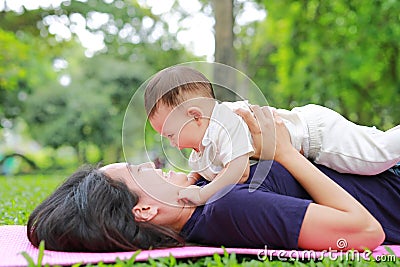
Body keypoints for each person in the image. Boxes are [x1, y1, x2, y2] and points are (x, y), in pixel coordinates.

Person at [27, 106, 400, 253]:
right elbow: (366, 233)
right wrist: (283, 152)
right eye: (143, 173)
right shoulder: (228, 209)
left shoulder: (207, 198)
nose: (156, 167)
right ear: (142, 210)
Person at [144, 65, 400, 205]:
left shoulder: (226, 123)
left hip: (317, 135)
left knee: (378, 156)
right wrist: (191, 179)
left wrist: (203, 194)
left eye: (171, 134)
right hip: (308, 143)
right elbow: (201, 170)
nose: (171, 143)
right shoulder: (201, 147)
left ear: (196, 116)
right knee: (371, 142)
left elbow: (240, 172)